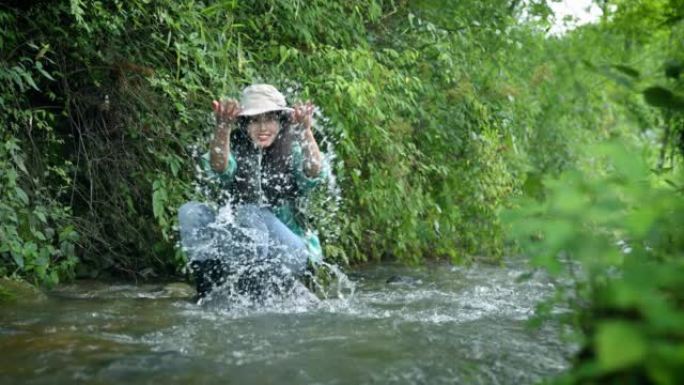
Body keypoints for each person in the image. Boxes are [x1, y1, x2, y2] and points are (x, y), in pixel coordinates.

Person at [178, 84, 327, 300]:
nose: (263, 127)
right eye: (255, 120)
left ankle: (257, 290)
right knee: (190, 211)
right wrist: (223, 128)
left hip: (290, 251)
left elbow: (313, 172)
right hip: (245, 248)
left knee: (250, 211)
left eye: (269, 119)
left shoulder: (293, 146)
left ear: (280, 121)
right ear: (245, 123)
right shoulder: (236, 146)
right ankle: (207, 288)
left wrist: (305, 131)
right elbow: (219, 167)